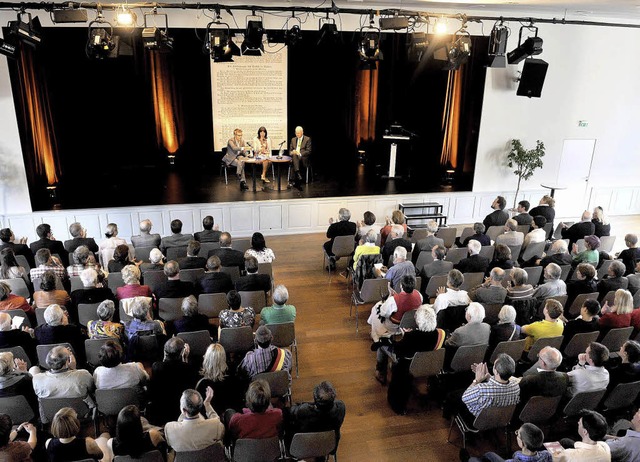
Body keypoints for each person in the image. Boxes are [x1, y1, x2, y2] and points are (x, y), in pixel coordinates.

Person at [380, 305, 445, 413]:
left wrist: (405, 336)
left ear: (419, 321)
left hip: (409, 366)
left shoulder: (412, 337)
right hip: (430, 364)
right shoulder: (440, 333)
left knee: (383, 346)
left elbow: (399, 351)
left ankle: (382, 377)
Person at [148, 337, 199, 426]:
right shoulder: (188, 368)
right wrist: (185, 359)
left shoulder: (156, 367)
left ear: (165, 352)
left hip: (162, 411)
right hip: (180, 411)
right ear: (182, 353)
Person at [285, 381, 346, 452]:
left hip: (304, 445)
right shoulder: (340, 407)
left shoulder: (303, 410)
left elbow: (288, 413)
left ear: (315, 397)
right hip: (327, 446)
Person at [459, 354, 520, 421]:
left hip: (480, 420)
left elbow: (464, 398)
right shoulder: (516, 387)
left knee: (453, 396)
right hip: (500, 418)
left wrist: (476, 380)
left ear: (496, 372)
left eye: (494, 366)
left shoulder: (481, 389)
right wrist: (488, 377)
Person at [32, 346, 94, 410]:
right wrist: (74, 370)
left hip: (52, 415)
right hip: (80, 413)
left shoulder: (37, 379)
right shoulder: (83, 374)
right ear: (67, 362)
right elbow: (92, 388)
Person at [164, 388, 225, 452]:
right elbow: (220, 429)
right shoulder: (215, 426)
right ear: (200, 406)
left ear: (184, 410)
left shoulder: (169, 429)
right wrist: (207, 404)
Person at [197, 344, 246, 415]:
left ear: (206, 358)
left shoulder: (201, 383)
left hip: (209, 420)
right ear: (223, 358)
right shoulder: (233, 378)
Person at [468, 423, 551, 462]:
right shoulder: (547, 455)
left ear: (522, 443)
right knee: (490, 454)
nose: (516, 434)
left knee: (473, 459)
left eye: (517, 434)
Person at [0, 350, 39, 415]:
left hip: (8, 414)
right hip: (30, 412)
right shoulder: (25, 379)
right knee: (34, 369)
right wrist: (24, 372)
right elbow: (35, 392)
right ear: (11, 366)